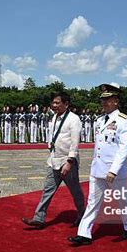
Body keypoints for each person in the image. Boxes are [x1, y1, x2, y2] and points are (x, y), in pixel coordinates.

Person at [69, 84, 127, 246]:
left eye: (108, 100)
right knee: (92, 202)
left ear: (116, 102)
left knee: (123, 200)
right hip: (97, 169)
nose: (104, 103)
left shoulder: (124, 121)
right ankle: (84, 234)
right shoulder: (99, 121)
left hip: (115, 172)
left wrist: (113, 170)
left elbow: (123, 148)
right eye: (103, 100)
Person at [22, 91, 85, 229]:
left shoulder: (74, 119)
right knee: (47, 190)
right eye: (53, 102)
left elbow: (75, 143)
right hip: (54, 160)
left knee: (75, 192)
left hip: (67, 161)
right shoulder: (54, 117)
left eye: (57, 102)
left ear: (66, 104)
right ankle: (39, 218)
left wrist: (69, 162)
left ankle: (82, 215)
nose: (54, 105)